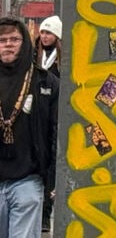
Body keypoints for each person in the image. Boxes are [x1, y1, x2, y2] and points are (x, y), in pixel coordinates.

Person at [0, 16, 58, 238]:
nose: (8, 44)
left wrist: (51, 177)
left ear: (24, 43)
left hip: (28, 179)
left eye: (14, 39)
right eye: (2, 40)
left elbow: (55, 131)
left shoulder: (44, 82)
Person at [33, 15, 62, 232]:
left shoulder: (61, 61)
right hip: (37, 115)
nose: (44, 36)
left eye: (49, 33)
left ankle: (46, 213)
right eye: (42, 32)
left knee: (51, 166)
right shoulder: (35, 58)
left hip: (56, 114)